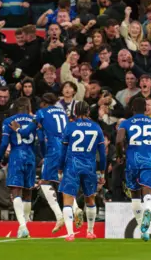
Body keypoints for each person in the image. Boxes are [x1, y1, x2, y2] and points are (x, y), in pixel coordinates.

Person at [15, 93, 82, 233]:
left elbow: (27, 132)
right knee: (62, 180)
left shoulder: (41, 113)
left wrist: (17, 129)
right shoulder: (63, 113)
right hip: (68, 148)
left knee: (45, 183)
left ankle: (60, 216)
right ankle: (75, 208)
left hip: (54, 149)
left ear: (44, 103)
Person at [116, 97, 151, 242]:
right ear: (145, 109)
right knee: (147, 189)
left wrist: (120, 154)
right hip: (148, 160)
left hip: (132, 160)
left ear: (132, 109)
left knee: (134, 193)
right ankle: (148, 211)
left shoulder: (125, 123)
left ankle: (141, 228)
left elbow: (119, 141)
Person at [58, 101, 106, 241]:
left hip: (72, 166)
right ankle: (90, 232)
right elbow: (102, 155)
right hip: (89, 166)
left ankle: (70, 234)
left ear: (74, 112)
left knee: (67, 199)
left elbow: (63, 152)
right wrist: (102, 172)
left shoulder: (70, 127)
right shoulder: (96, 128)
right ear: (88, 112)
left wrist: (60, 169)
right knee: (90, 199)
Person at [0, 97, 38, 238]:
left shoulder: (9, 121)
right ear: (28, 107)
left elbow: (4, 144)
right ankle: (26, 223)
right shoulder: (35, 120)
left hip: (17, 156)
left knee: (16, 191)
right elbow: (40, 140)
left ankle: (22, 226)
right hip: (31, 156)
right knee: (28, 192)